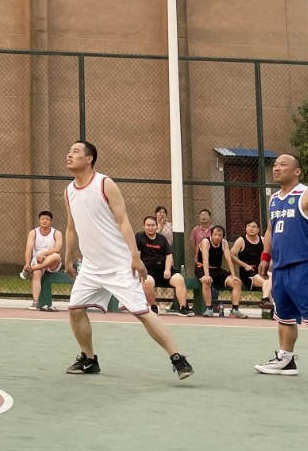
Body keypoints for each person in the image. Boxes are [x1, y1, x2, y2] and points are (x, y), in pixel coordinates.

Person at [61, 140, 193, 380]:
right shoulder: (69, 190)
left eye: (75, 151)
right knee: (75, 310)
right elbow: (71, 227)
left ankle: (178, 358)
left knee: (142, 312)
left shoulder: (104, 184)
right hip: (90, 267)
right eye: (69, 151)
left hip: (119, 264)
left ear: (89, 159)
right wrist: (68, 257)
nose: (69, 155)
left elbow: (123, 221)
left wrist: (134, 256)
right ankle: (89, 359)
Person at [254, 154, 308, 384]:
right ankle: (286, 359)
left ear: (297, 171)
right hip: (280, 268)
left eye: (283, 165)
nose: (277, 168)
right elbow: (270, 230)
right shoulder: (274, 199)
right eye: (275, 165)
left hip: (304, 267)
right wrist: (265, 256)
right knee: (284, 317)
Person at [136, 215, 190, 315]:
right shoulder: (139, 237)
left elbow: (169, 255)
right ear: (144, 226)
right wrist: (140, 270)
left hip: (163, 271)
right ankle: (153, 306)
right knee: (147, 282)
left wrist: (167, 269)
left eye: (153, 225)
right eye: (148, 225)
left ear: (156, 226)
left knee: (179, 279)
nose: (150, 227)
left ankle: (183, 308)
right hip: (148, 271)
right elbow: (137, 256)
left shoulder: (162, 239)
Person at [197, 224, 244, 318]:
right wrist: (207, 275)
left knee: (237, 282)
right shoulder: (206, 242)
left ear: (223, 236)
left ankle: (235, 310)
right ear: (211, 234)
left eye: (219, 235)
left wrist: (233, 275)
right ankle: (209, 309)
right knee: (206, 281)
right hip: (202, 268)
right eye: (215, 234)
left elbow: (228, 259)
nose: (217, 237)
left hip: (217, 270)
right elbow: (205, 260)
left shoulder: (224, 243)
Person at [22, 210, 63, 311]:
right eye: (42, 219)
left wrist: (44, 254)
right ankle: (35, 303)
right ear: (39, 221)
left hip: (52, 263)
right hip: (38, 262)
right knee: (37, 273)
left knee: (56, 256)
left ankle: (32, 269)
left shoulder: (57, 233)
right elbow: (28, 249)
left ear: (51, 221)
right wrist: (27, 263)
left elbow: (57, 249)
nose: (44, 221)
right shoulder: (33, 233)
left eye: (47, 219)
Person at [231, 220, 269, 309]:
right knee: (267, 283)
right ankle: (266, 302)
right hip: (248, 273)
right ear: (246, 228)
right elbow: (231, 255)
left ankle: (270, 306)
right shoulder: (241, 240)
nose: (251, 229)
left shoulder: (263, 240)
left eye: (254, 227)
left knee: (272, 283)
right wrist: (245, 265)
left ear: (258, 229)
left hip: (261, 270)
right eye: (249, 226)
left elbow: (269, 253)